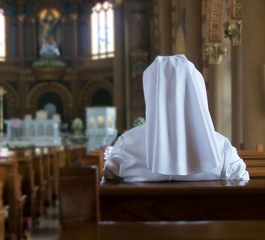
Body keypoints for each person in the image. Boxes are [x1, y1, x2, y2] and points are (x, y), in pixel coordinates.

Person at [103, 54, 249, 182]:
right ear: (197, 91)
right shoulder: (221, 148)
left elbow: (108, 180)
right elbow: (243, 183)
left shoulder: (126, 145)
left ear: (151, 93)